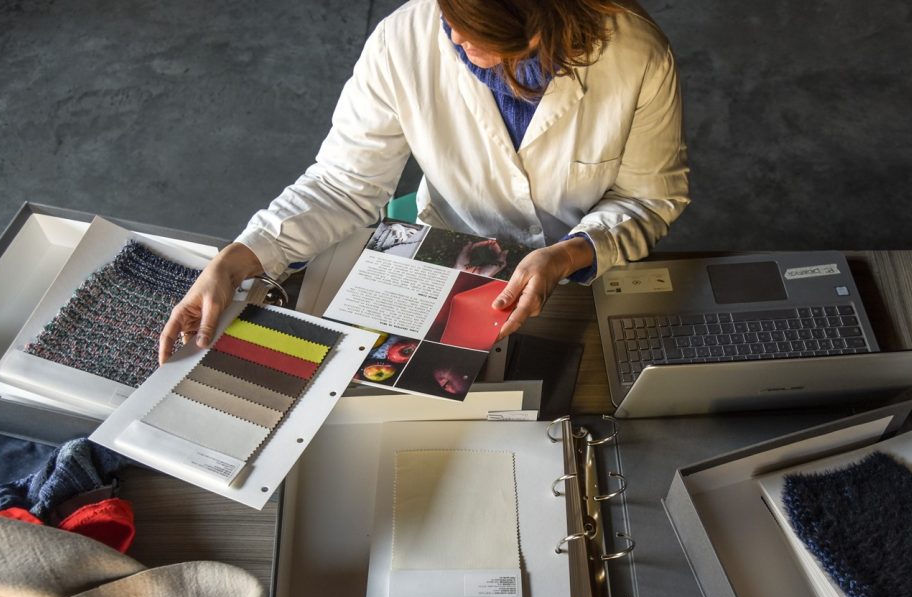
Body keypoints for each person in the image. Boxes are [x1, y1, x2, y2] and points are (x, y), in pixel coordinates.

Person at [159, 0, 688, 363]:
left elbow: (648, 197)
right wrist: (238, 259)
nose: (455, 38)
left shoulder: (636, 56)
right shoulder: (404, 40)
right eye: (451, 15)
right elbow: (344, 184)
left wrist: (570, 254)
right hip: (448, 255)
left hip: (583, 276)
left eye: (483, 31)